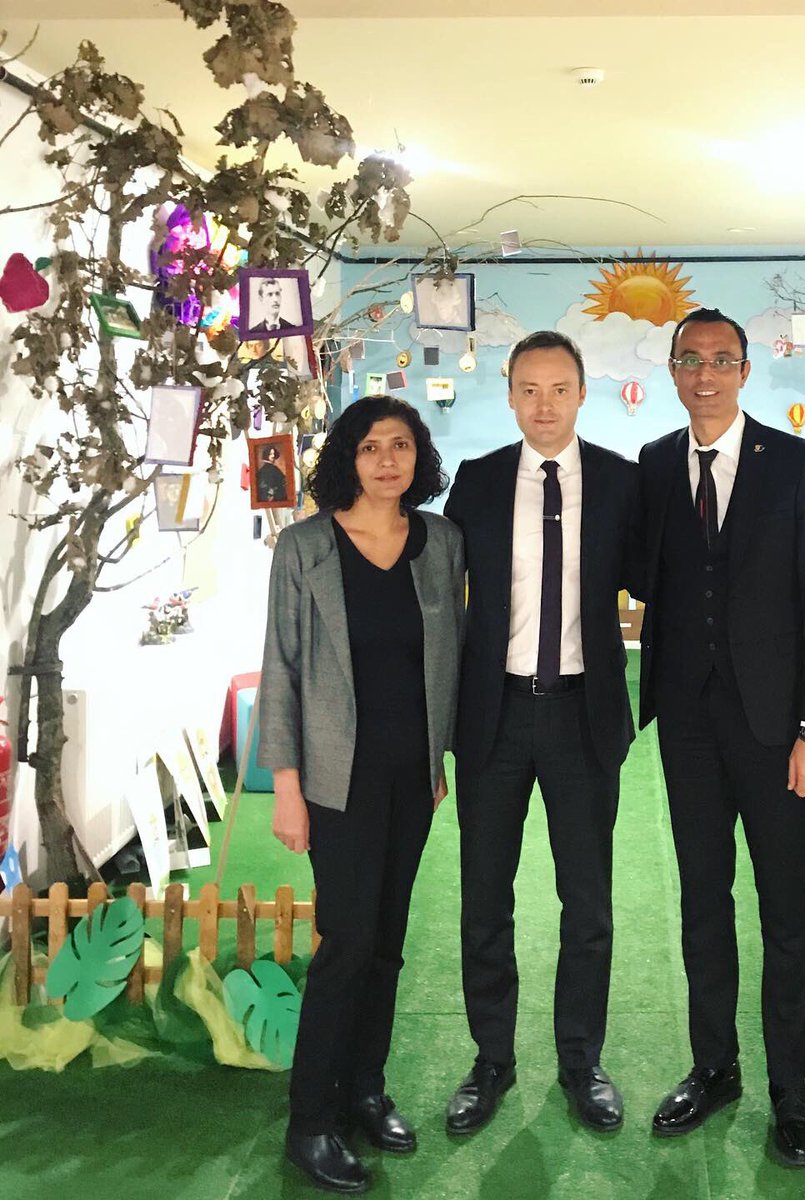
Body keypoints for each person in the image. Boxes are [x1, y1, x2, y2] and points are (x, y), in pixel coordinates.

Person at [638, 308, 805, 1167]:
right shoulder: (655, 464)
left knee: (785, 911)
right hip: (688, 727)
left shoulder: (797, 463)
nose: (705, 374)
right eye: (690, 359)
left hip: (776, 730)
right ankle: (714, 1067)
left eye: (721, 360)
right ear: (673, 370)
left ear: (745, 371)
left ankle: (791, 1090)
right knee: (702, 902)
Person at [258, 395, 464, 1195]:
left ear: (419, 457)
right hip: (333, 780)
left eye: (401, 445)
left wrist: (438, 758)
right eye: (371, 446)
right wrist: (286, 787)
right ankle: (310, 1120)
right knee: (346, 943)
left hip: (411, 776)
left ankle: (365, 1092)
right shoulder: (304, 546)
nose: (387, 461)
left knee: (386, 942)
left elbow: (446, 656)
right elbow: (281, 668)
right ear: (348, 456)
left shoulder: (440, 543)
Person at [443, 330, 639, 1136]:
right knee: (484, 899)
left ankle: (580, 1059)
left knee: (586, 902)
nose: (545, 405)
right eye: (529, 389)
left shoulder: (623, 483)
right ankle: (491, 1058)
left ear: (583, 394)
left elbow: (664, 580)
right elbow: (440, 596)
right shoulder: (479, 481)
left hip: (583, 716)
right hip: (493, 715)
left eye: (559, 389)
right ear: (510, 396)